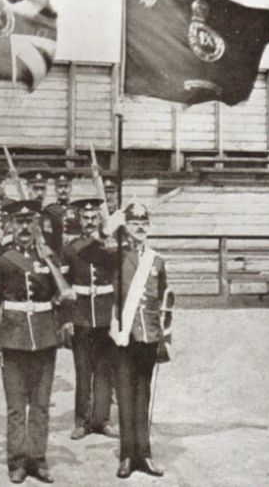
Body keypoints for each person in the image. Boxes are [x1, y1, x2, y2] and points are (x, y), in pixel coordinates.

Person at [0, 200, 73, 484]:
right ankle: (18, 461)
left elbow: (63, 297)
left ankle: (38, 459)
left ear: (36, 224)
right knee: (15, 406)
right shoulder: (3, 259)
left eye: (28, 222)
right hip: (13, 340)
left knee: (41, 404)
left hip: (45, 339)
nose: (24, 227)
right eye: (18, 222)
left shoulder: (49, 258)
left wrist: (63, 316)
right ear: (10, 225)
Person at [109, 202, 169, 479]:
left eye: (144, 223)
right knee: (124, 396)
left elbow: (165, 301)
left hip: (148, 338)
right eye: (134, 223)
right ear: (126, 226)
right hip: (124, 338)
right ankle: (126, 456)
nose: (140, 227)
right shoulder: (115, 256)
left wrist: (163, 339)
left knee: (143, 397)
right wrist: (111, 222)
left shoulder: (156, 261)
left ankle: (144, 455)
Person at [62, 198, 122, 440]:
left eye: (93, 218)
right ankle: (83, 421)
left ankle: (103, 420)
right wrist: (66, 318)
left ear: (99, 219)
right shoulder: (70, 248)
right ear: (79, 220)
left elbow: (119, 281)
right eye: (85, 218)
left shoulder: (110, 247)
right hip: (81, 314)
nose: (89, 222)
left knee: (105, 370)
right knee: (83, 370)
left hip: (106, 314)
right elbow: (63, 285)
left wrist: (118, 314)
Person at [42, 170, 80, 256]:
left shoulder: (77, 209)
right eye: (60, 187)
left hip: (74, 250)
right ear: (55, 189)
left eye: (66, 186)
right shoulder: (49, 210)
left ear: (71, 188)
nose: (63, 190)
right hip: (56, 251)